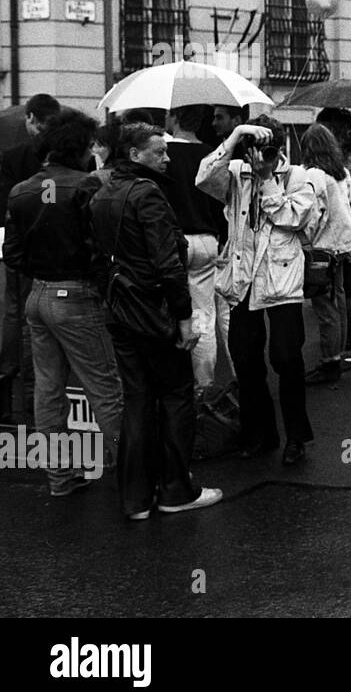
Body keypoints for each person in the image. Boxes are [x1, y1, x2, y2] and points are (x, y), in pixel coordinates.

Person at [89, 123, 222, 520]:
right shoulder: (149, 195)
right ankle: (176, 489)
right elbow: (168, 264)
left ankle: (135, 499)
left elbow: (94, 257)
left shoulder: (102, 191)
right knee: (176, 395)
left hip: (121, 310)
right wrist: (182, 317)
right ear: (135, 155)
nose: (167, 158)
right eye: (159, 152)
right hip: (153, 309)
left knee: (138, 400)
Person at [2, 109, 122, 496]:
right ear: (78, 148)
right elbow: (101, 246)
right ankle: (131, 476)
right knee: (105, 388)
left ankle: (58, 478)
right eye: (89, 146)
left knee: (47, 391)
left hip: (38, 294)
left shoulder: (22, 190)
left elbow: (12, 254)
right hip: (77, 294)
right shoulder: (87, 186)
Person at [197, 115, 322, 466]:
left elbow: (292, 218)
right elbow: (203, 177)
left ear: (279, 147)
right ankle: (259, 432)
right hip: (243, 279)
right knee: (246, 359)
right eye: (255, 150)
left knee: (286, 358)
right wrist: (235, 137)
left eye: (267, 149)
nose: (260, 156)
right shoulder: (237, 173)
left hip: (281, 279)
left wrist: (267, 180)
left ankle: (296, 436)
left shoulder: (299, 177)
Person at [0, 93, 60, 426]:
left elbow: (6, 205)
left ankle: (12, 376)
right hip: (57, 248)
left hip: (21, 246)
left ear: (32, 118)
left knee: (15, 313)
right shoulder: (67, 155)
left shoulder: (14, 156)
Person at [163, 105, 230, 400]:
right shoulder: (210, 153)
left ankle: (174, 381)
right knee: (202, 313)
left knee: (170, 312)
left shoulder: (161, 152)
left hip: (172, 242)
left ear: (175, 118)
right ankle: (204, 385)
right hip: (206, 239)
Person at [299, 124, 351, 386]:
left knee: (324, 306)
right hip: (344, 243)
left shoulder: (313, 174)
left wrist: (305, 240)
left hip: (324, 246)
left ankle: (330, 361)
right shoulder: (341, 172)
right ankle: (339, 353)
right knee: (339, 300)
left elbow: (314, 213)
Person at [317, 108, 351, 350]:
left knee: (333, 287)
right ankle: (347, 333)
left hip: (333, 227)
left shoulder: (326, 164)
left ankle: (336, 338)